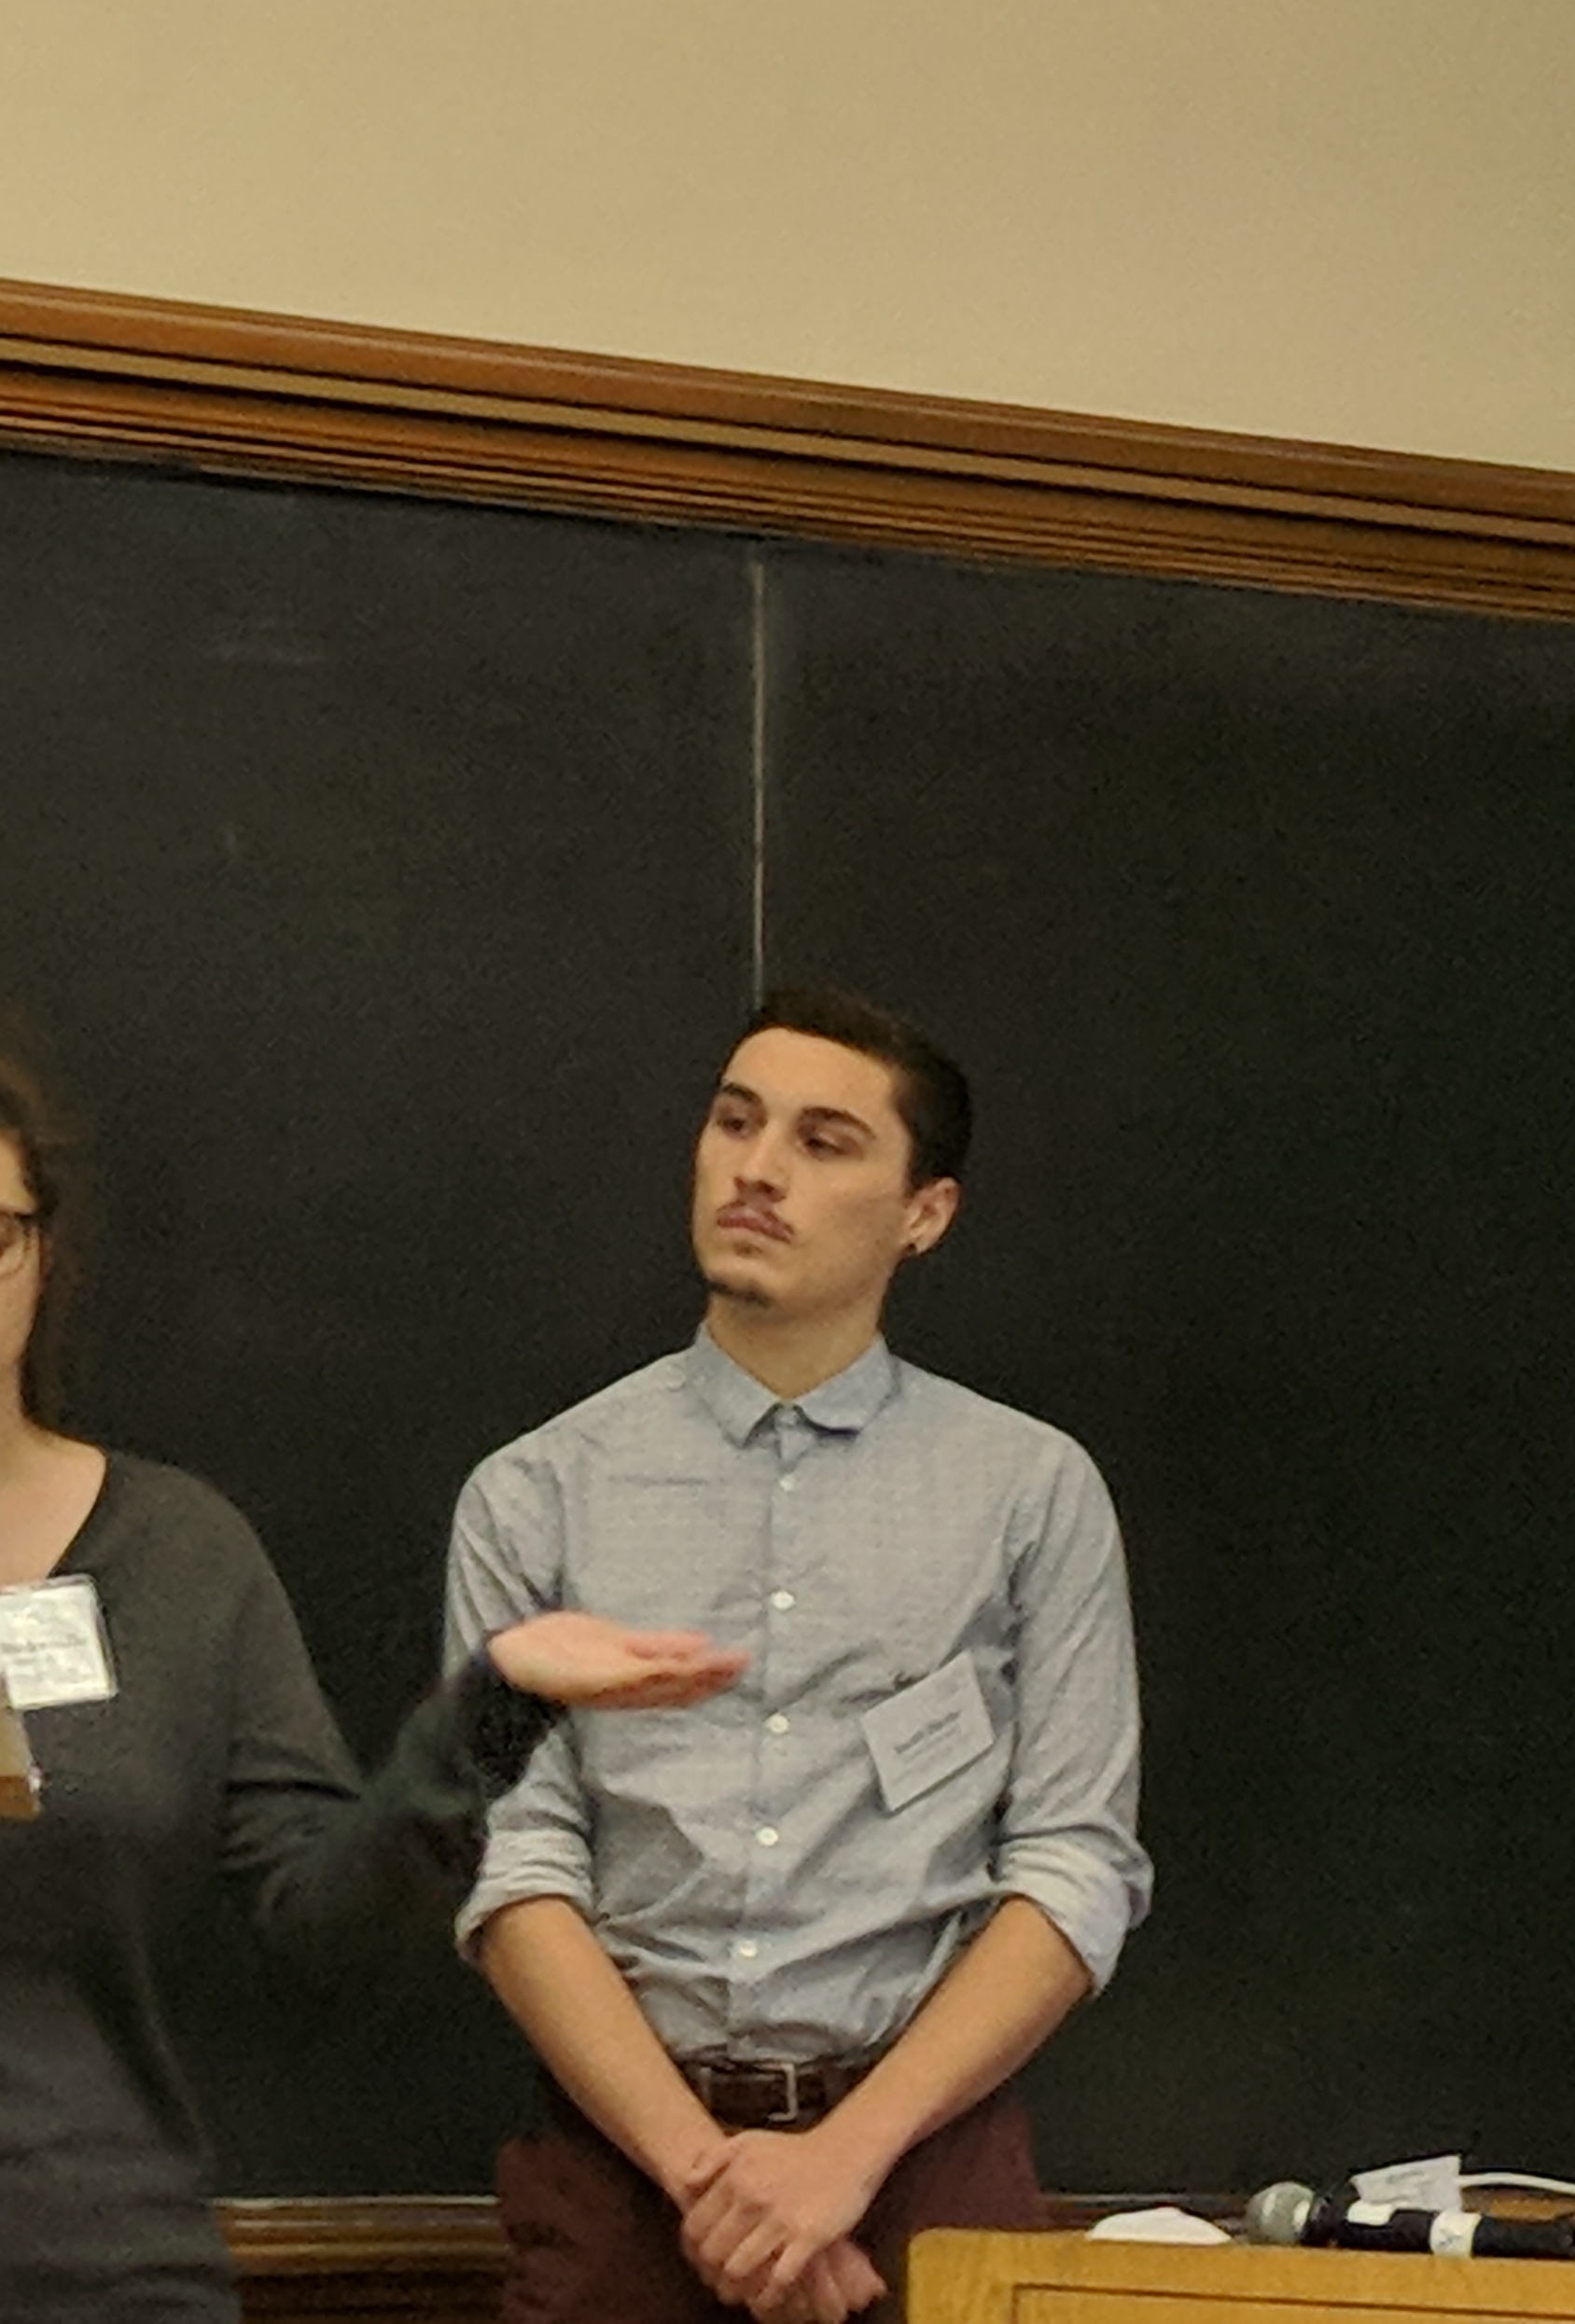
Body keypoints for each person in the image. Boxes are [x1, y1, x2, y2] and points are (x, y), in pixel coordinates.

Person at [0, 972, 744, 2322]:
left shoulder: (180, 1551)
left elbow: (317, 1932)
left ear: (44, 1254)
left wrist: (496, 1713)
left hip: (107, 2282)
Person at [443, 986, 1151, 2324]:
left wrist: (844, 2157)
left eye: (825, 1143)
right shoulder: (535, 1493)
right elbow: (514, 1867)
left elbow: (1075, 1864)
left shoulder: (1029, 1492)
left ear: (923, 1213)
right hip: (627, 2169)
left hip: (924, 2157)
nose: (757, 1169)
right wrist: (718, 2184)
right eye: (735, 1122)